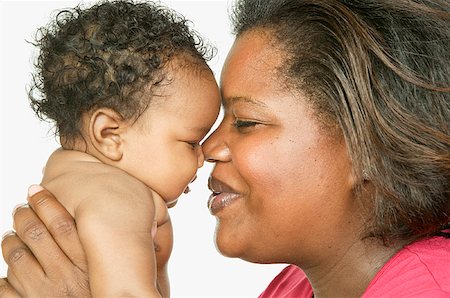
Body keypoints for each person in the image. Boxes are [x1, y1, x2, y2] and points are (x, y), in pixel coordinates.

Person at [1, 0, 449, 297]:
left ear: (365, 144)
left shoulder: (429, 287)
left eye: (246, 122)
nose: (211, 148)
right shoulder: (290, 288)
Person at [1, 1, 220, 297]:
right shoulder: (118, 195)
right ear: (109, 135)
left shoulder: (63, 173)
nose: (203, 155)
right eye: (192, 142)